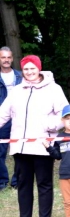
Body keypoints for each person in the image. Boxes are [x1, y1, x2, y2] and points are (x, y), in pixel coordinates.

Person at [0, 56, 69, 217]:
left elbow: (64, 113)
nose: (29, 72)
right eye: (26, 69)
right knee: (23, 184)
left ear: (39, 68)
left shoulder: (54, 89)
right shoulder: (16, 91)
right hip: (20, 146)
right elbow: (3, 113)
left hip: (43, 145)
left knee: (44, 184)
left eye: (32, 68)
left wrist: (50, 126)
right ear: (22, 71)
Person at [0, 47, 22, 190]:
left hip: (18, 118)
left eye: (9, 57)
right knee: (0, 152)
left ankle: (17, 181)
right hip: (2, 118)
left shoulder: (21, 76)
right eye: (3, 57)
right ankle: (2, 181)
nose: (6, 60)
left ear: (12, 59)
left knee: (19, 151)